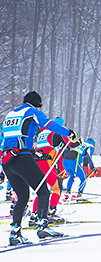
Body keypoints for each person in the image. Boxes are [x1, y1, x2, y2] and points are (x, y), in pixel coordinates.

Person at [3, 91, 76, 245]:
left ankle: (15, 233)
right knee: (43, 191)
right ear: (36, 104)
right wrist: (68, 133)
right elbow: (49, 124)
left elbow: (5, 139)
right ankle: (43, 226)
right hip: (22, 157)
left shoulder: (10, 115)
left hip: (7, 159)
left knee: (22, 196)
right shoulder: (31, 112)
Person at [31, 116, 69, 225]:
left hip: (36, 163)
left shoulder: (42, 133)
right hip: (46, 163)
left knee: (41, 190)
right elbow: (69, 147)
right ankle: (51, 212)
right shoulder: (56, 133)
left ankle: (34, 215)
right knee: (56, 188)